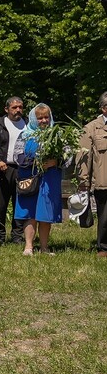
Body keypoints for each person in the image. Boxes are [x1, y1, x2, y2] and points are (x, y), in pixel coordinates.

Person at [14, 104, 63, 256]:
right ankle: (28, 246)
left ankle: (44, 247)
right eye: (40, 118)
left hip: (50, 179)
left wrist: (56, 162)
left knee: (45, 213)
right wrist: (34, 162)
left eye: (46, 117)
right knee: (30, 211)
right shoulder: (25, 134)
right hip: (30, 178)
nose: (43, 121)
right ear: (34, 119)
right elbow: (17, 156)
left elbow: (68, 155)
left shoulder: (57, 134)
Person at [0, 97, 27, 244]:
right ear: (6, 109)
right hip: (2, 170)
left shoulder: (28, 124)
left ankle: (17, 237)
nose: (18, 110)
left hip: (22, 169)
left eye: (20, 107)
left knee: (21, 205)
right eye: (14, 107)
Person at [76, 92, 107, 257]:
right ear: (103, 108)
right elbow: (83, 156)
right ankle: (104, 247)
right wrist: (83, 180)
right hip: (103, 180)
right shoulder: (91, 128)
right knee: (105, 217)